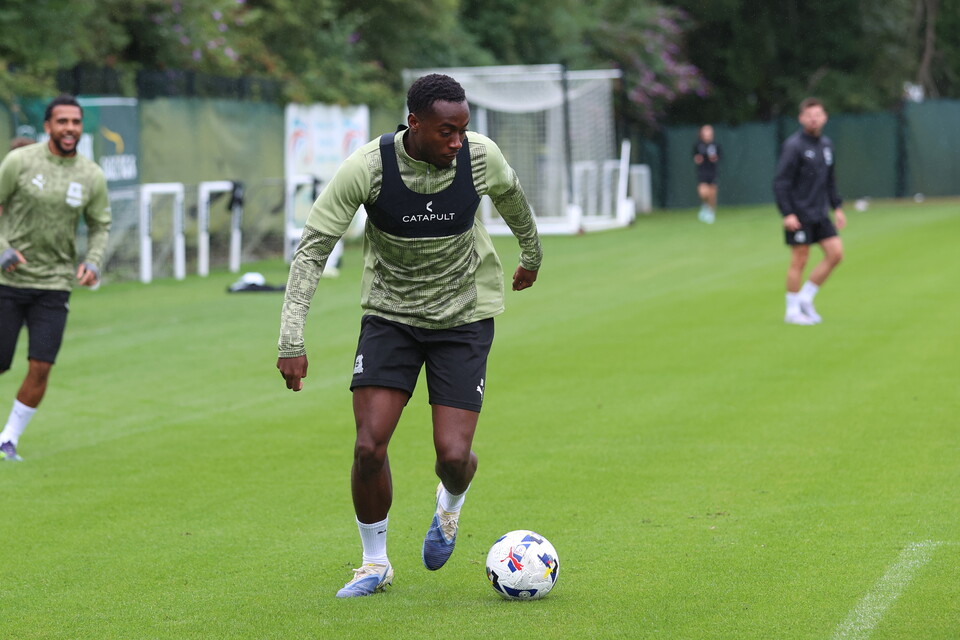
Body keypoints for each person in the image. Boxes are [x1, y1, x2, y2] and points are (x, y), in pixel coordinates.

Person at [276, 74, 542, 598]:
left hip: (463, 317)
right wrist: (291, 340)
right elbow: (312, 248)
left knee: (452, 455)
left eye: (463, 131)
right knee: (369, 446)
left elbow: (514, 202)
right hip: (391, 317)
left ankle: (449, 505)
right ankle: (374, 564)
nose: (457, 142)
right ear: (413, 123)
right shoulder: (367, 169)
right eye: (447, 132)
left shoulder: (480, 157)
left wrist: (531, 257)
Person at [0, 95, 111, 461]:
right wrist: (3, 248)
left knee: (42, 366)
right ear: (48, 126)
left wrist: (92, 262)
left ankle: (8, 440)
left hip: (55, 284)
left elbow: (99, 226)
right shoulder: (19, 161)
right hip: (8, 282)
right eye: (62, 121)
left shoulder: (91, 174)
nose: (70, 129)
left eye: (76, 122)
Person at [773, 97, 845, 325]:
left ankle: (806, 298)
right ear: (801, 118)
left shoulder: (826, 145)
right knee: (799, 260)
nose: (814, 119)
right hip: (799, 213)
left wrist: (838, 207)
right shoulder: (794, 146)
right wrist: (787, 213)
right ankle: (792, 311)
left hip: (820, 213)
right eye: (809, 115)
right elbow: (780, 182)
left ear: (824, 118)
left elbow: (830, 180)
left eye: (818, 115)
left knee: (835, 254)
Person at [692, 124, 720, 223]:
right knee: (703, 192)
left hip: (712, 172)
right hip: (702, 172)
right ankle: (705, 206)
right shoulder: (698, 145)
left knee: (712, 193)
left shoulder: (715, 145)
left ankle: (711, 213)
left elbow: (720, 157)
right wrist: (697, 159)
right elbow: (695, 156)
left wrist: (715, 158)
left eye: (709, 132)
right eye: (705, 132)